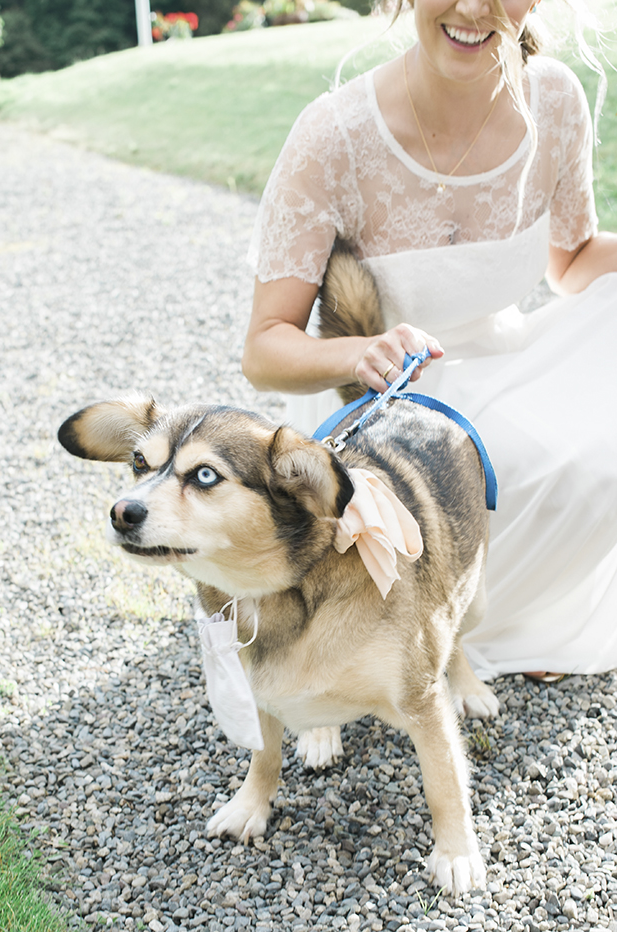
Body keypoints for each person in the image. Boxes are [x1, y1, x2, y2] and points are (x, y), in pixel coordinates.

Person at [242, 0, 617, 700]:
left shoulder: (556, 99)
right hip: (397, 410)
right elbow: (264, 348)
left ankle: (522, 612)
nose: (473, 8)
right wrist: (359, 354)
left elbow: (570, 265)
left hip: (510, 365)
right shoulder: (335, 135)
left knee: (597, 453)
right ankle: (440, 625)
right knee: (537, 461)